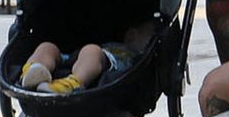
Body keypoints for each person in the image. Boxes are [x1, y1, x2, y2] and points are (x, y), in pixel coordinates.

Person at [18, 22, 157, 95]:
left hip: (106, 63)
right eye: (150, 37)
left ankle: (72, 84)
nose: (152, 43)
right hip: (79, 56)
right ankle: (34, 70)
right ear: (132, 34)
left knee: (92, 50)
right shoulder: (126, 46)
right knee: (47, 47)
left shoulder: (136, 58)